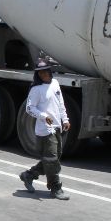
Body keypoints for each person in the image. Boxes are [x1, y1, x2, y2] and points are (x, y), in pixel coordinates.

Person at [19, 59, 71, 200]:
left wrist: (65, 119)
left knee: (52, 159)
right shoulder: (36, 89)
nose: (43, 74)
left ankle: (28, 175)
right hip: (45, 130)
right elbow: (29, 108)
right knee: (52, 159)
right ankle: (55, 188)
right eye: (40, 72)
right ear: (38, 74)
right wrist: (43, 116)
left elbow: (60, 103)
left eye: (45, 71)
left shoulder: (55, 84)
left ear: (50, 71)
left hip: (57, 127)